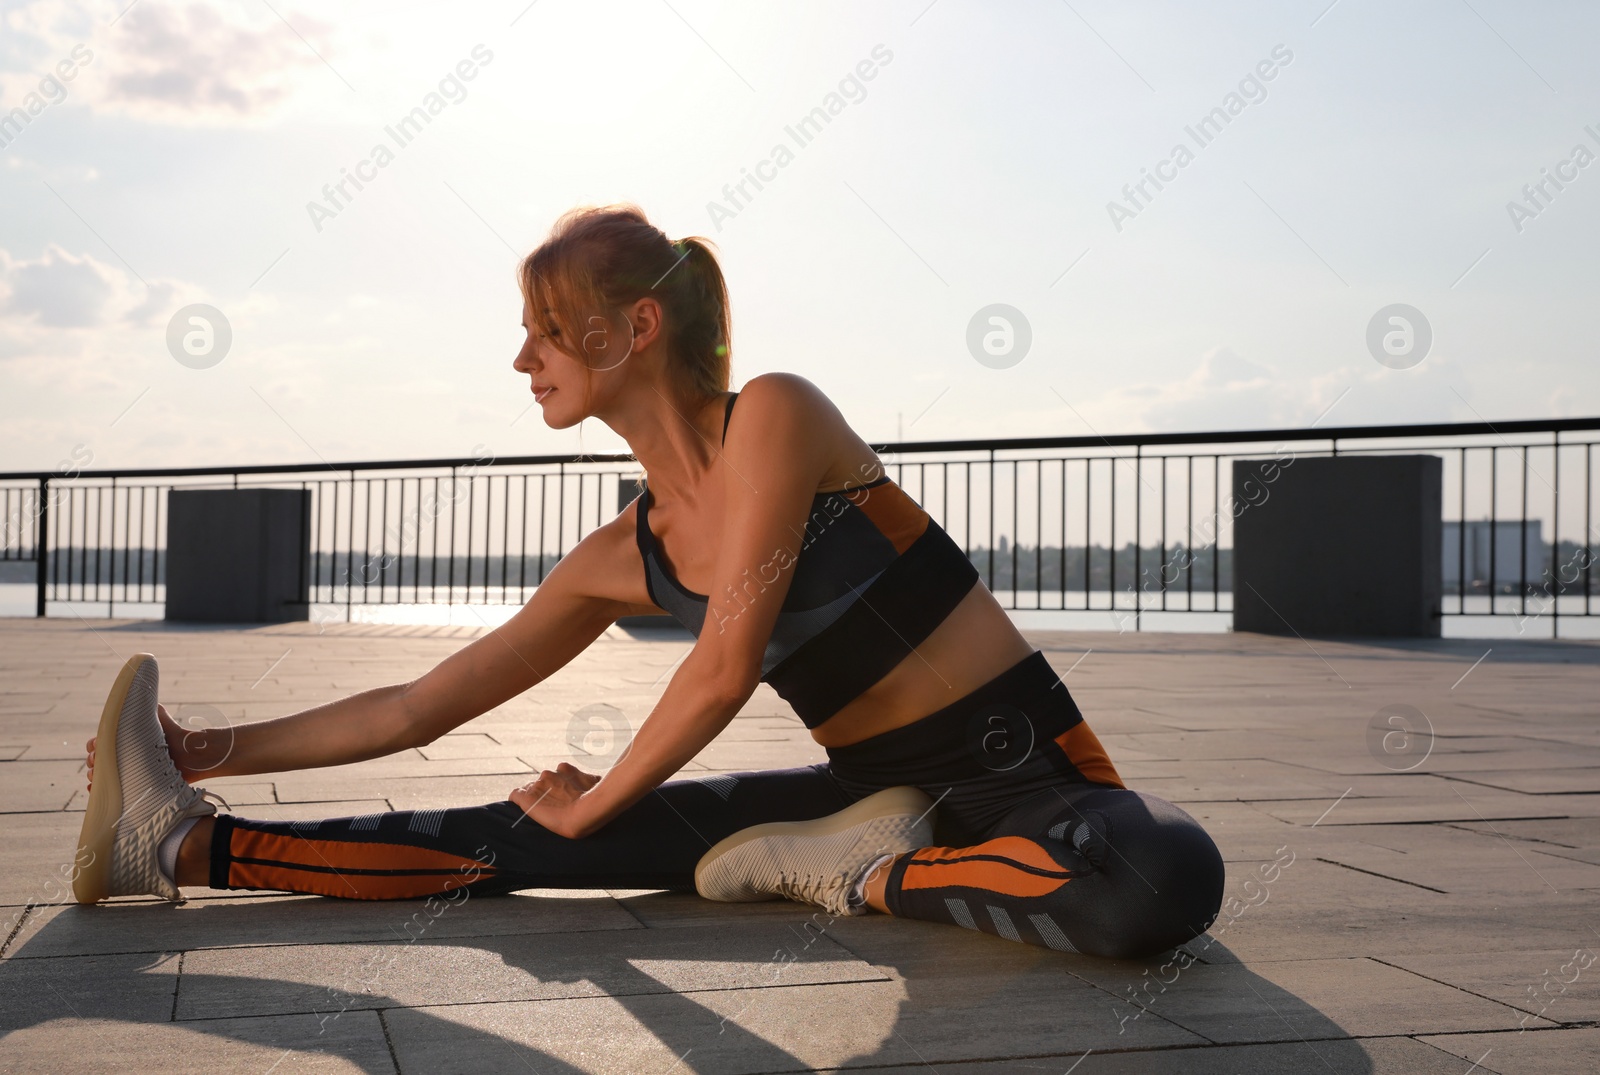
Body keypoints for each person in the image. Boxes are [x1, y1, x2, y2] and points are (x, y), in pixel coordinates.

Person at [76, 205, 1223, 959]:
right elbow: (416, 707)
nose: (523, 360)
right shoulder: (618, 557)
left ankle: (866, 873)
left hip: (1034, 782)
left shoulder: (778, 416)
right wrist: (201, 752)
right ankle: (182, 844)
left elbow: (723, 668)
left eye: (545, 332)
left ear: (635, 325)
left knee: (1161, 878)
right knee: (504, 837)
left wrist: (605, 796)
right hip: (867, 787)